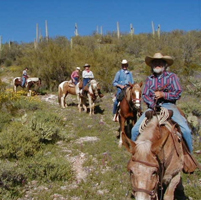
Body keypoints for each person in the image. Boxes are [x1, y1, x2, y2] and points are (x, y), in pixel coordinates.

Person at [131, 52, 193, 152]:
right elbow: (145, 95)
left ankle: (190, 156)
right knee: (134, 130)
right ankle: (135, 155)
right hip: (153, 107)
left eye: (160, 62)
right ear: (152, 65)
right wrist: (152, 104)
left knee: (186, 130)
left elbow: (178, 93)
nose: (157, 64)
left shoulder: (172, 77)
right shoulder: (149, 79)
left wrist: (164, 95)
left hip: (169, 106)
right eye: (155, 62)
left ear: (164, 65)